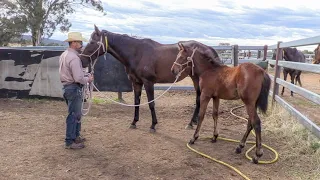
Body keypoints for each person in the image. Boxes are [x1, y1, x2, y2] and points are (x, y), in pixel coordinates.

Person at [59, 32, 94, 149]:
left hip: (68, 88)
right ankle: (70, 141)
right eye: (79, 42)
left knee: (76, 114)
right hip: (74, 88)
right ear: (73, 43)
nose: (81, 44)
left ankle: (75, 136)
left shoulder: (65, 54)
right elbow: (78, 78)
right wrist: (88, 79)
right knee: (74, 115)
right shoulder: (74, 58)